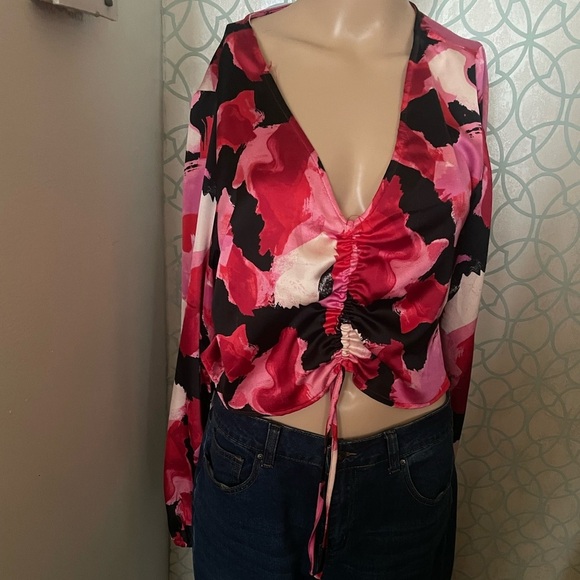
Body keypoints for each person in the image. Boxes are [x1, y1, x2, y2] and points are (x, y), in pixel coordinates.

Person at [164, 1, 492, 578]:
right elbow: (201, 266)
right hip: (252, 462)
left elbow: (467, 270)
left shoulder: (458, 69)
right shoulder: (238, 59)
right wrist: (184, 445)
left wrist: (447, 432)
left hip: (407, 470)